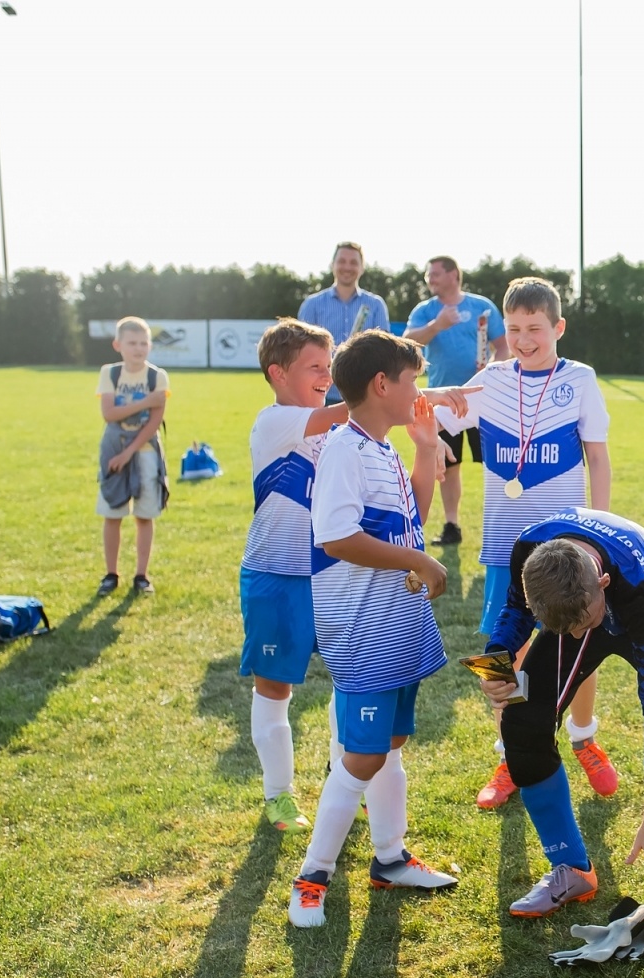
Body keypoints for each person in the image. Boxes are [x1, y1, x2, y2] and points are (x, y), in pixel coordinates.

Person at [242, 319, 474, 836]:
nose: (325, 377)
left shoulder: (353, 437)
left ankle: (344, 778)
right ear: (277, 374)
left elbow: (364, 410)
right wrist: (422, 393)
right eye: (315, 368)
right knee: (275, 687)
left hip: (339, 577)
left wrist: (410, 407)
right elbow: (356, 401)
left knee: (347, 686)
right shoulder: (277, 421)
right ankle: (279, 796)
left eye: (330, 367)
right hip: (277, 574)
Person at [479, 508, 644, 924]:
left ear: (603, 585)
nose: (577, 637)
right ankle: (572, 868)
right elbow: (516, 611)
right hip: (578, 601)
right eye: (565, 630)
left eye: (584, 625)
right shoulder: (529, 549)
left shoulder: (637, 585)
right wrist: (495, 664)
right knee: (522, 724)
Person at [287, 330, 459, 928]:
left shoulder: (380, 448)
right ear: (382, 384)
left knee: (387, 747)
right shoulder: (342, 449)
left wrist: (423, 447)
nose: (420, 391)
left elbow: (410, 520)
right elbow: (335, 536)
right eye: (413, 380)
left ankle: (389, 859)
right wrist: (419, 562)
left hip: (397, 621)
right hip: (360, 627)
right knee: (361, 755)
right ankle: (312, 877)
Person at [433, 277, 617, 810]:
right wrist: (418, 410)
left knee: (581, 648)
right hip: (503, 549)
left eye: (535, 328)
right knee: (501, 656)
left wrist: (597, 527)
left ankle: (584, 739)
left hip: (568, 546)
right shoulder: (490, 378)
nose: (524, 338)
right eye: (514, 329)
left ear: (558, 327)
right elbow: (437, 413)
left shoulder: (579, 379)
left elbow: (598, 457)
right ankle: (510, 754)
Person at [404, 255, 509, 546]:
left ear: (453, 275)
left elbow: (503, 347)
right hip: (442, 400)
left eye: (434, 274)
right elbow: (408, 343)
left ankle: (502, 522)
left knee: (497, 463)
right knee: (448, 464)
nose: (429, 279)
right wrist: (437, 325)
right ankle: (452, 526)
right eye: (428, 275)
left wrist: (492, 369)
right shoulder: (426, 310)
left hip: (483, 399)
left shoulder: (481, 306)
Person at [95, 316, 169, 596]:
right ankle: (111, 574)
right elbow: (109, 414)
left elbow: (154, 422)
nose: (138, 348)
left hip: (146, 452)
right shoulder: (110, 373)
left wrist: (129, 452)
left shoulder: (157, 376)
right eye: (132, 343)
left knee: (144, 515)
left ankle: (141, 575)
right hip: (113, 451)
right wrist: (146, 401)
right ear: (118, 345)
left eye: (143, 343)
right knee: (112, 513)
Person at [296, 241, 390, 405]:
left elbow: (384, 352)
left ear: (362, 267)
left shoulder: (376, 305)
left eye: (353, 262)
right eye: (342, 261)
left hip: (364, 396)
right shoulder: (312, 305)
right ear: (332, 265)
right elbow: (299, 352)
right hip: (321, 395)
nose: (347, 267)